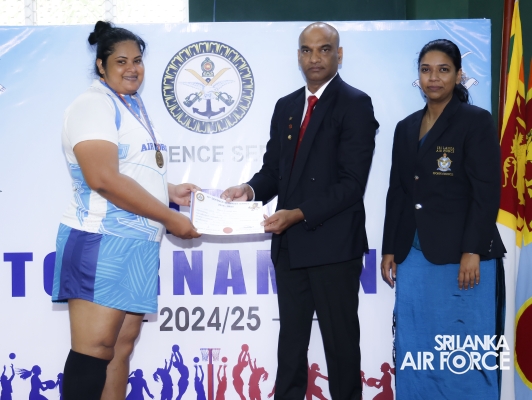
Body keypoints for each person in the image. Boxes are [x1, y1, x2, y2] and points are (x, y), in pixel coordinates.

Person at [222, 22, 378, 400]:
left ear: (339, 55)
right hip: (291, 247)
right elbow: (274, 171)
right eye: (307, 50)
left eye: (324, 49)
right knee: (290, 346)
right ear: (298, 56)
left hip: (334, 247)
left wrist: (298, 213)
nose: (315, 58)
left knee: (340, 346)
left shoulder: (355, 103)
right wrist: (250, 190)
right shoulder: (287, 106)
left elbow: (352, 184)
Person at [51, 21, 200, 400]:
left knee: (120, 348)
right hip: (102, 240)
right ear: (101, 65)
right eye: (121, 61)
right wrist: (170, 217)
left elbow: (129, 171)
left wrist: (170, 192)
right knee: (95, 349)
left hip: (137, 243)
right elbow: (102, 178)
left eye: (137, 60)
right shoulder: (93, 105)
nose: (132, 68)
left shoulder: (129, 105)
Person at [381, 39, 506, 399]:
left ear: (458, 75)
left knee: (464, 353)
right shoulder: (405, 127)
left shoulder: (475, 121)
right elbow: (398, 191)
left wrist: (473, 250)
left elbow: (486, 192)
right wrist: (390, 248)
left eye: (443, 70)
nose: (433, 77)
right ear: (418, 76)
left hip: (463, 257)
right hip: (414, 257)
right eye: (426, 70)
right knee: (416, 350)